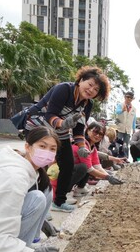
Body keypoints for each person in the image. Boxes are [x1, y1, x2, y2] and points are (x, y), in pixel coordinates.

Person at [26, 66, 110, 213]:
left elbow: (79, 128)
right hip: (41, 126)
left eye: (96, 90)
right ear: (80, 80)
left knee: (68, 164)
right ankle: (30, 206)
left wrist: (82, 146)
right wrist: (62, 124)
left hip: (62, 132)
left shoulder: (88, 104)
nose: (91, 90)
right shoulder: (64, 89)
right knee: (39, 163)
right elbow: (50, 114)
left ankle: (58, 202)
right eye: (90, 84)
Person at [72, 122, 123, 189]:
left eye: (101, 134)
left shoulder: (92, 147)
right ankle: (64, 193)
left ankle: (80, 188)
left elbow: (97, 166)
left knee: (87, 166)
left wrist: (110, 177)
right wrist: (108, 177)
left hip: (74, 170)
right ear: (87, 131)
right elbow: (90, 169)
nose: (97, 135)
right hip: (63, 173)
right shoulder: (83, 146)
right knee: (84, 167)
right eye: (95, 132)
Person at [115, 91, 136, 160]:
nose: (129, 99)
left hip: (128, 129)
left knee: (126, 145)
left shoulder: (134, 108)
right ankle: (117, 157)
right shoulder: (120, 105)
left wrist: (134, 129)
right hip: (120, 128)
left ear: (132, 99)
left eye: (131, 98)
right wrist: (122, 110)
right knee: (118, 144)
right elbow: (117, 112)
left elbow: (134, 119)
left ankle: (125, 158)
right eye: (128, 97)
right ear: (125, 97)